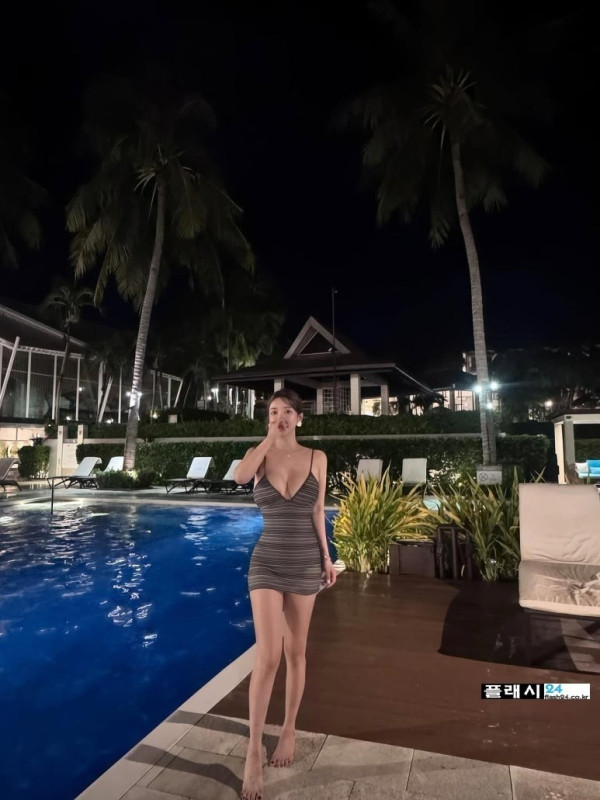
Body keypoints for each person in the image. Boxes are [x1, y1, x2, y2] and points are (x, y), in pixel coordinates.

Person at [233, 388, 337, 800]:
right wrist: (267, 440)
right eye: (274, 411)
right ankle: (253, 751)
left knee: (296, 652)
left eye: (287, 411)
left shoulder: (317, 457)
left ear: (300, 418)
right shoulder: (258, 456)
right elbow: (240, 478)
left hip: (306, 563)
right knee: (268, 656)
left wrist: (327, 558)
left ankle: (289, 728)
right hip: (267, 562)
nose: (280, 416)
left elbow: (317, 511)